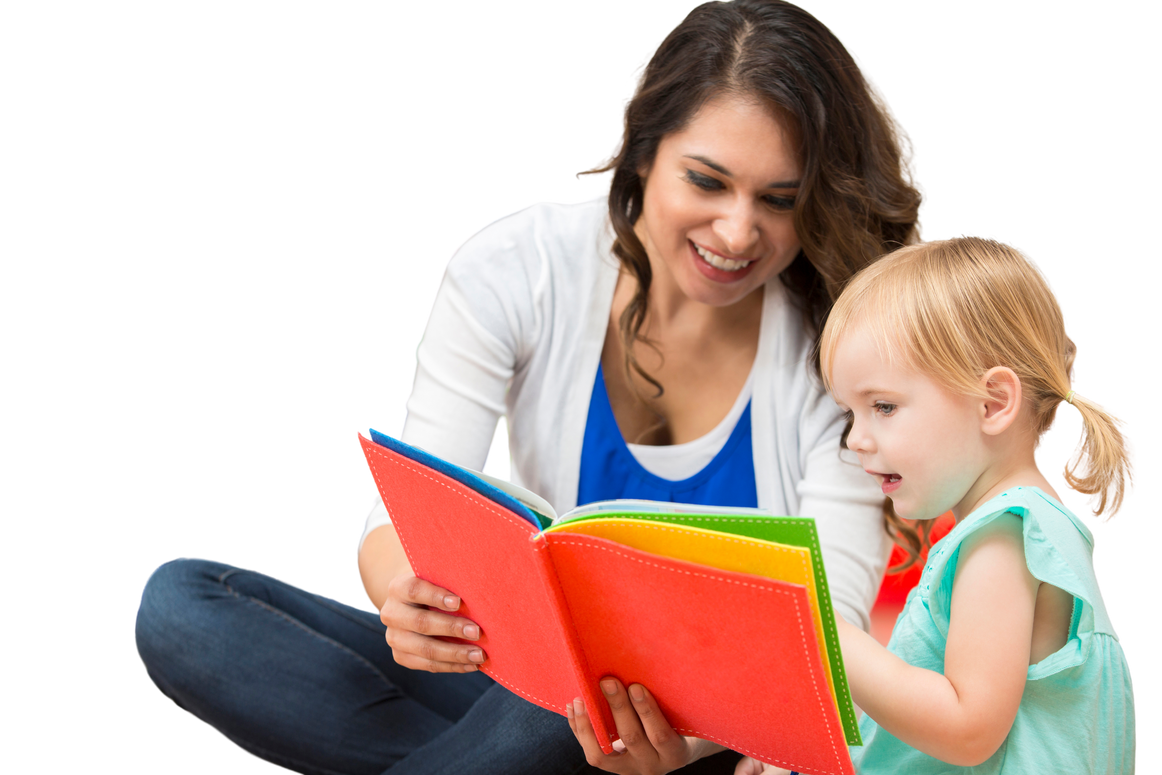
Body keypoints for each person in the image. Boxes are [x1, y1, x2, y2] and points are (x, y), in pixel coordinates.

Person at [133, 1, 923, 773]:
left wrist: (685, 742)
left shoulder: (839, 350)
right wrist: (404, 597)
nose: (739, 231)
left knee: (588, 685)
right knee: (182, 607)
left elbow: (828, 640)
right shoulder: (518, 263)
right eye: (708, 182)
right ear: (645, 153)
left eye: (778, 200)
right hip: (514, 679)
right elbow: (407, 516)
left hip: (701, 733)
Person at [736, 234, 1134, 775]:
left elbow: (966, 732)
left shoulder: (1005, 537)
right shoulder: (1022, 527)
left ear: (993, 402)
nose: (855, 439)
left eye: (882, 406)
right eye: (851, 414)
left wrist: (824, 629)